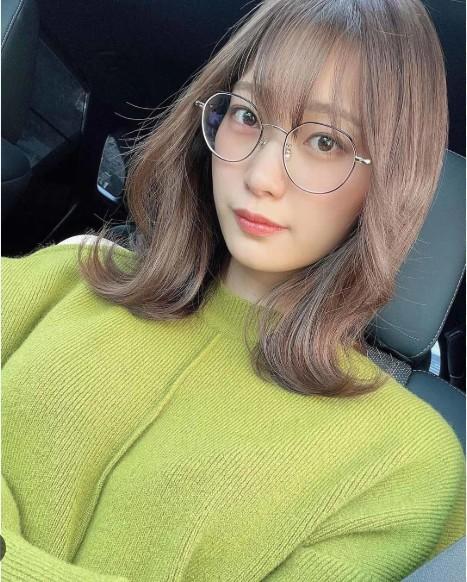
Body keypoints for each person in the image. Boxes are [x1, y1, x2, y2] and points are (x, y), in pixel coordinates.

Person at [2, 0, 465, 580]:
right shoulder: (67, 278)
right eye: (247, 115)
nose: (261, 175)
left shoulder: (408, 463)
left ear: (391, 180)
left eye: (325, 142)